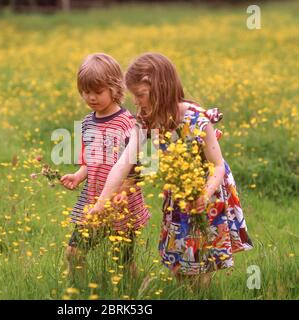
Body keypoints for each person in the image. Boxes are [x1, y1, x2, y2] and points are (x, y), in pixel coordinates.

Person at [90, 52, 253, 287]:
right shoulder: (146, 119)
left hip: (208, 191)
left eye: (140, 95)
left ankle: (201, 291)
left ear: (160, 87)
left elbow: (218, 166)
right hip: (177, 193)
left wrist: (204, 196)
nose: (136, 102)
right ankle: (189, 288)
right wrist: (101, 202)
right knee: (179, 260)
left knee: (201, 257)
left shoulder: (197, 119)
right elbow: (123, 163)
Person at [60, 53, 150, 281]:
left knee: (123, 262)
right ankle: (80, 290)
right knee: (73, 252)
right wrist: (79, 175)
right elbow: (90, 160)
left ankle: (136, 291)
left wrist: (123, 191)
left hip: (122, 206)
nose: (91, 97)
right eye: (85, 92)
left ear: (114, 88)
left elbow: (139, 169)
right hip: (93, 202)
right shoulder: (87, 122)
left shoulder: (128, 123)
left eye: (97, 92)